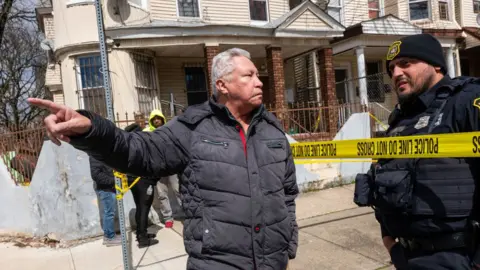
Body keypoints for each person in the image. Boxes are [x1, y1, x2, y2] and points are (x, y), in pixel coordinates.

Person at [28, 47, 298, 270]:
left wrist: (289, 240)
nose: (259, 81)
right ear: (222, 84)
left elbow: (287, 192)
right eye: (248, 75)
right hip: (217, 264)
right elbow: (138, 152)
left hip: (273, 262)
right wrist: (92, 129)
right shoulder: (192, 128)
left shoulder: (272, 130)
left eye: (258, 75)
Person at [353, 33, 480, 269]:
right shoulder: (399, 119)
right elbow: (383, 177)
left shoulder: (466, 100)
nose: (396, 73)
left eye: (406, 63)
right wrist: (391, 244)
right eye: (391, 69)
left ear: (435, 64)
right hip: (407, 257)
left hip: (458, 257)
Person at [143, 109, 182, 228]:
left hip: (171, 167)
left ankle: (188, 213)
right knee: (161, 194)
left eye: (158, 118)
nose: (156, 120)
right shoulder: (147, 133)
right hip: (158, 169)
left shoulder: (169, 130)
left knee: (178, 190)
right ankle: (168, 218)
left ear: (162, 119)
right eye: (154, 118)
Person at [124, 120, 159, 248]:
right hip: (144, 181)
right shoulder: (139, 146)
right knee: (144, 209)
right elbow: (150, 164)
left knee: (140, 207)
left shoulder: (126, 145)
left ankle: (141, 233)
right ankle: (143, 239)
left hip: (133, 181)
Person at [89, 156, 121, 246]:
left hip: (110, 188)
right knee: (109, 213)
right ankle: (109, 237)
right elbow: (96, 175)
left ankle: (111, 235)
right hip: (105, 189)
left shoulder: (102, 154)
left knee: (110, 212)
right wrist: (114, 180)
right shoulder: (94, 157)